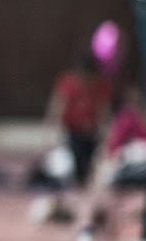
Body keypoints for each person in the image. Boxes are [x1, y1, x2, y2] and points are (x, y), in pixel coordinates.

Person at [48, 49, 113, 185]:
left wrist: (104, 132)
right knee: (73, 162)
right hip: (73, 130)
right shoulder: (68, 83)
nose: (85, 81)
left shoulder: (100, 84)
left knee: (89, 164)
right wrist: (54, 128)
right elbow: (59, 105)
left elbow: (103, 110)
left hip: (91, 132)